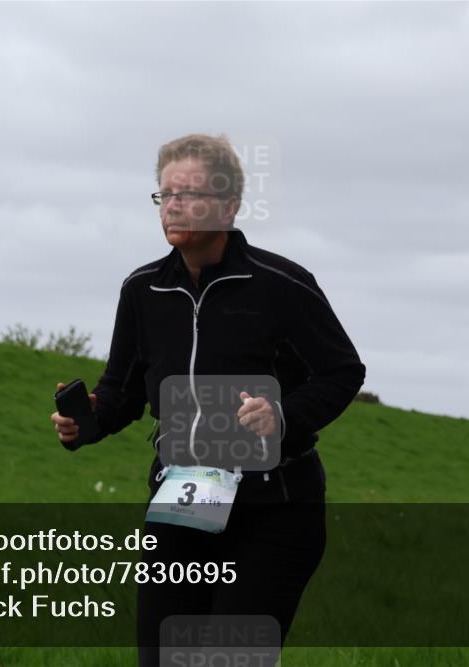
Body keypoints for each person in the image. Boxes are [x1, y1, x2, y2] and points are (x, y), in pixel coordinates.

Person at [50, 133, 365, 665]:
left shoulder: (282, 285)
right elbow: (122, 391)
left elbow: (342, 371)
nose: (173, 205)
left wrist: (283, 415)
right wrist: (89, 421)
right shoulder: (143, 290)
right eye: (165, 194)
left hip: (276, 506)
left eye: (189, 194)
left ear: (229, 205)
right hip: (186, 496)